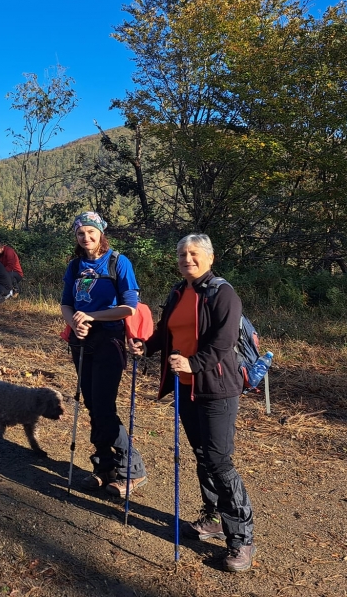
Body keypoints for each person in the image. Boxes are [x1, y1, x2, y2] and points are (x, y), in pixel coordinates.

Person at [127, 233, 256, 572]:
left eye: (194, 253)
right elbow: (167, 331)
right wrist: (148, 346)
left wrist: (191, 363)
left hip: (216, 388)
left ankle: (241, 538)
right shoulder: (178, 291)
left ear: (209, 258)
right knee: (202, 455)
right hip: (187, 388)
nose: (187, 258)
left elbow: (223, 343)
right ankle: (212, 518)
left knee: (219, 460)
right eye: (182, 253)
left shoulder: (223, 294)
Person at [60, 211, 148, 499]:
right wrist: (74, 322)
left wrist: (92, 318)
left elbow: (129, 308)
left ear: (101, 233)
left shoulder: (118, 262)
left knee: (103, 406)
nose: (85, 237)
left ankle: (133, 468)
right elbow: (66, 304)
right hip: (81, 339)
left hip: (109, 337)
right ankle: (103, 467)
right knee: (90, 404)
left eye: (90, 232)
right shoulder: (75, 266)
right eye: (80, 233)